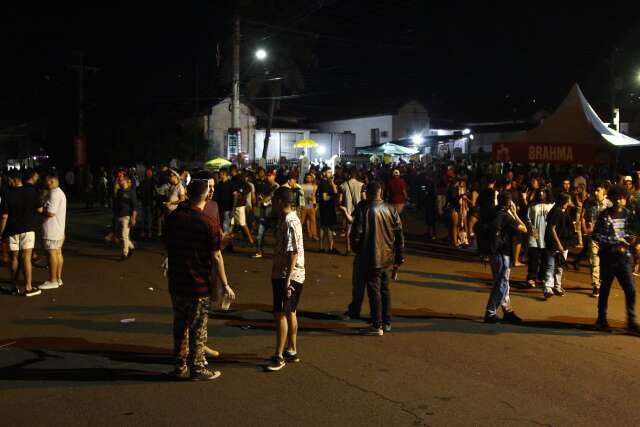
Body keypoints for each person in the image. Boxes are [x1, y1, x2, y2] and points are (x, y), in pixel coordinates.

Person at [164, 180, 236, 380]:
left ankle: (179, 365)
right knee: (198, 327)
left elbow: (168, 245)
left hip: (177, 282)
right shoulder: (207, 222)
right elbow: (216, 255)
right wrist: (224, 283)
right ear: (205, 195)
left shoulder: (173, 217)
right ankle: (197, 368)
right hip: (198, 284)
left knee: (180, 325)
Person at [350, 181, 405, 336]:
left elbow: (356, 235)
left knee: (374, 290)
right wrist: (399, 258)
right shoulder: (391, 209)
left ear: (368, 193)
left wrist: (357, 249)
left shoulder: (365, 210)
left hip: (371, 256)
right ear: (380, 192)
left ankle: (377, 324)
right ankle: (386, 321)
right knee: (385, 289)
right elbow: (399, 234)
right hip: (387, 256)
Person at [266, 187, 306, 371]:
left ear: (281, 201)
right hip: (295, 273)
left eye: (274, 200)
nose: (271, 203)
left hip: (286, 274)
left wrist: (287, 280)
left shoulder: (289, 221)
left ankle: (279, 355)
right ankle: (292, 350)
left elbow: (293, 253)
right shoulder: (291, 219)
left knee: (280, 313)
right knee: (291, 312)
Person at [592, 185, 640, 334]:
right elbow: (596, 235)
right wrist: (615, 240)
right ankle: (601, 320)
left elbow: (633, 232)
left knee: (631, 290)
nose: (620, 200)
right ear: (612, 199)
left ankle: (631, 321)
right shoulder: (604, 215)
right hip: (608, 257)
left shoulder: (628, 214)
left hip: (624, 258)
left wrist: (632, 240)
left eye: (622, 198)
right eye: (617, 198)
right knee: (605, 289)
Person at [483, 192, 527, 323]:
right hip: (503, 254)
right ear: (509, 203)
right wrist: (515, 213)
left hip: (493, 252)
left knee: (503, 283)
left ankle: (507, 311)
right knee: (501, 284)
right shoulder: (506, 216)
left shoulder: (493, 212)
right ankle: (490, 312)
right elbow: (524, 229)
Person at [0, 169, 41, 297]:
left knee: (14, 259)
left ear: (15, 179)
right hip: (28, 229)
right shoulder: (31, 192)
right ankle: (28, 287)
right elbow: (39, 209)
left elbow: (4, 216)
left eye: (9, 180)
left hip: (12, 230)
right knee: (27, 258)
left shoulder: (7, 194)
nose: (8, 182)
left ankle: (13, 286)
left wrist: (1, 232)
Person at [580, 182, 611, 297]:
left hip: (606, 239)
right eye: (595, 190)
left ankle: (603, 283)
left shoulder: (610, 205)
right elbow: (587, 218)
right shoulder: (591, 204)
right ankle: (596, 285)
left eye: (598, 190)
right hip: (594, 237)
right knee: (594, 262)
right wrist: (587, 228)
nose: (595, 192)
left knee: (606, 263)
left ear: (604, 191)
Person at [542, 192, 574, 299]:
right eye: (569, 199)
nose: (570, 201)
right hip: (555, 243)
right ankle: (548, 287)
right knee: (551, 265)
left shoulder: (564, 211)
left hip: (564, 242)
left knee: (560, 266)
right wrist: (558, 244)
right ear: (565, 201)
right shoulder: (556, 211)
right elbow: (552, 228)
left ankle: (557, 286)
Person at [38, 173, 67, 290]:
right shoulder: (59, 193)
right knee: (58, 253)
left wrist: (40, 210)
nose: (45, 183)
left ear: (51, 181)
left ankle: (52, 280)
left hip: (52, 230)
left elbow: (50, 212)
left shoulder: (54, 194)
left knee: (51, 253)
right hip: (58, 229)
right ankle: (58, 278)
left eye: (46, 181)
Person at [525, 188, 553, 288]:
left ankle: (541, 277)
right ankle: (531, 278)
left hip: (547, 235)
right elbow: (528, 219)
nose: (541, 193)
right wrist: (533, 231)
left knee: (545, 259)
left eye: (544, 192)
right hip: (535, 235)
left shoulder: (551, 205)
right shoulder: (532, 205)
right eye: (540, 191)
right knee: (533, 257)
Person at [253, 170, 279, 259]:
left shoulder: (276, 186)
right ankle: (259, 251)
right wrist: (260, 198)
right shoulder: (264, 185)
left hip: (273, 215)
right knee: (259, 235)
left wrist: (263, 200)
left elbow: (271, 196)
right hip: (264, 214)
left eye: (270, 176)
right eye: (268, 176)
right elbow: (259, 195)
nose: (269, 177)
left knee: (277, 235)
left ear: (274, 176)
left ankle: (278, 253)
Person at [339, 169, 364, 254]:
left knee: (348, 230)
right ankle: (359, 248)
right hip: (359, 211)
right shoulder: (361, 185)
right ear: (356, 176)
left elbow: (340, 199)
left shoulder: (343, 185)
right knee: (360, 230)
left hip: (348, 211)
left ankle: (348, 249)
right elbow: (364, 199)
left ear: (349, 175)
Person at [113, 174, 137, 260]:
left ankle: (125, 254)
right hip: (119, 216)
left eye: (121, 179)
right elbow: (115, 203)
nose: (119, 181)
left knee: (124, 236)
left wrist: (133, 218)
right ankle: (131, 247)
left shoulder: (131, 192)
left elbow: (134, 206)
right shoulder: (119, 191)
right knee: (122, 237)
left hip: (127, 217)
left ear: (126, 180)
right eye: (119, 180)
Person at [318, 167, 339, 254]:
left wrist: (333, 184)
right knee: (329, 228)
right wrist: (333, 196)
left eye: (331, 172)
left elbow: (335, 191)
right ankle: (330, 248)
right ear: (324, 173)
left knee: (323, 227)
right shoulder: (324, 183)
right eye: (329, 172)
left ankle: (321, 247)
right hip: (327, 209)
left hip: (325, 208)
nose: (331, 174)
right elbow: (325, 197)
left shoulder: (327, 183)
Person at [300, 173, 319, 240]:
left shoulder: (315, 186)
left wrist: (315, 204)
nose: (308, 178)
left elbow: (314, 196)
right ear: (305, 178)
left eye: (310, 177)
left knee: (312, 220)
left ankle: (313, 234)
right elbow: (301, 196)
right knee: (301, 221)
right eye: (307, 177)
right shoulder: (302, 186)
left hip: (311, 205)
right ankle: (299, 234)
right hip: (304, 205)